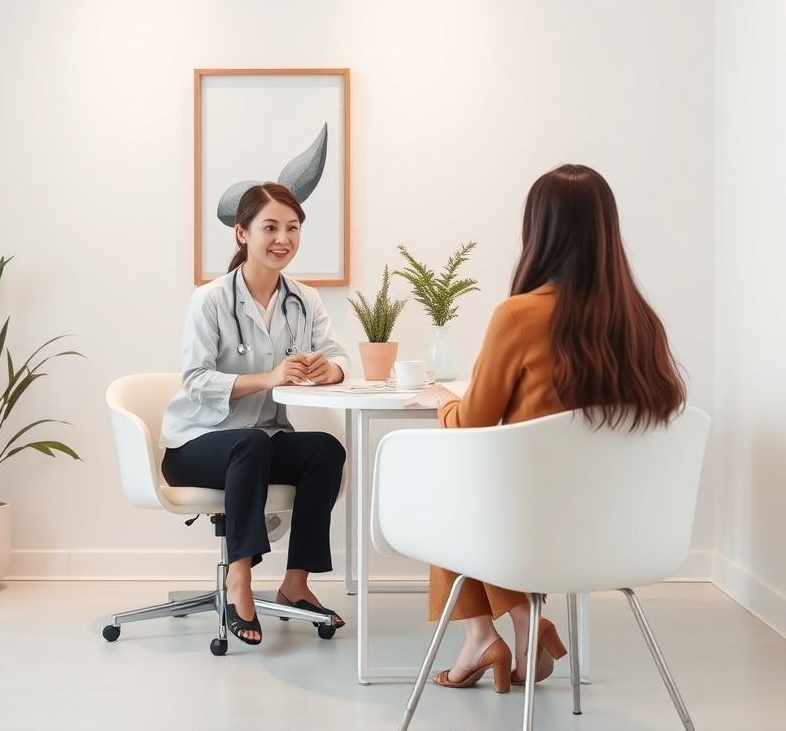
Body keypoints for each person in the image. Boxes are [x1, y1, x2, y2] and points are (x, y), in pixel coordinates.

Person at [407, 164, 686, 692]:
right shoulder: (641, 322)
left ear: (539, 232)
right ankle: (518, 630)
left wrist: (444, 401)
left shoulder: (518, 316)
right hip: (619, 529)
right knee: (485, 494)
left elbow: (470, 424)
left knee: (449, 487)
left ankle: (495, 632)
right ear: (607, 233)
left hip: (531, 530)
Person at [160, 181, 350, 646]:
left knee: (324, 450)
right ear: (243, 233)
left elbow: (340, 357)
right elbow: (195, 380)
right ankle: (239, 580)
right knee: (250, 444)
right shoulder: (210, 300)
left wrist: (330, 370)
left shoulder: (303, 299)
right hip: (196, 443)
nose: (283, 238)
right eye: (270, 227)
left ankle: (295, 583)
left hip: (261, 440)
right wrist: (269, 377)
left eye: (293, 227)